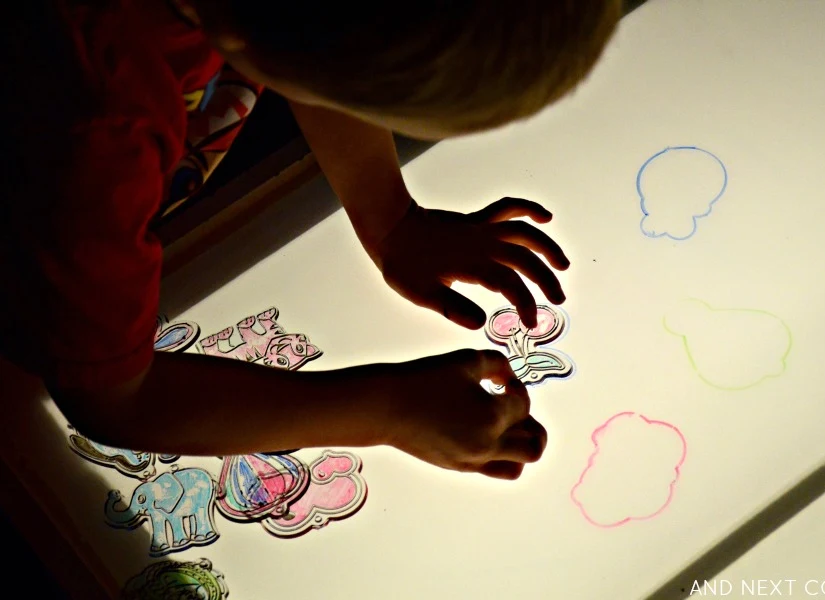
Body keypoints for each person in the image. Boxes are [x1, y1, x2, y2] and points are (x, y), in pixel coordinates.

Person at [0, 0, 622, 480]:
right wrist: (386, 410)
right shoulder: (98, 136)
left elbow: (316, 49)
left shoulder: (262, 17)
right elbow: (108, 399)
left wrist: (391, 219)